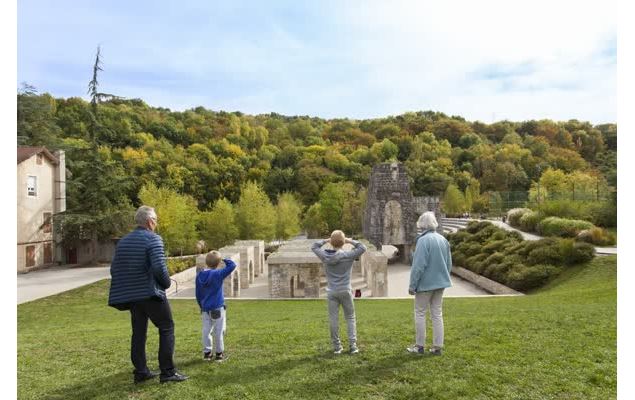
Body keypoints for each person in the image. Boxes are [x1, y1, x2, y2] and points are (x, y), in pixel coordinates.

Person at [108, 206, 188, 384]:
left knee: (138, 333)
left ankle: (141, 372)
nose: (156, 223)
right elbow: (159, 267)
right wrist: (167, 284)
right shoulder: (154, 239)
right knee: (167, 327)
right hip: (150, 294)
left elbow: (114, 269)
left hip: (132, 297)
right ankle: (167, 372)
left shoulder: (123, 241)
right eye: (156, 220)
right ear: (150, 221)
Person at [311, 231, 366, 354]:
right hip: (346, 290)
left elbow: (314, 246)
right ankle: (353, 346)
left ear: (331, 241)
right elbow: (362, 247)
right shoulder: (348, 255)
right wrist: (349, 240)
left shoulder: (325, 256)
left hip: (332, 291)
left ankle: (337, 347)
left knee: (333, 319)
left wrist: (326, 240)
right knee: (350, 317)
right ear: (343, 242)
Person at [406, 211, 452, 356]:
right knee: (437, 314)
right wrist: (444, 277)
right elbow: (449, 263)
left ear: (422, 225)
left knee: (420, 313)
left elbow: (418, 266)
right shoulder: (443, 240)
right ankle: (437, 347)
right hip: (440, 283)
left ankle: (419, 346)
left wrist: (412, 285)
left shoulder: (423, 241)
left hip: (425, 285)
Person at [195, 251, 236, 362]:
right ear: (218, 263)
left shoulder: (199, 275)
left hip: (205, 308)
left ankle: (207, 353)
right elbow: (232, 265)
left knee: (206, 330)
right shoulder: (218, 274)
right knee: (218, 331)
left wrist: (201, 305)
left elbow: (198, 293)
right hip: (217, 307)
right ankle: (219, 354)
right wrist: (223, 258)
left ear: (206, 262)